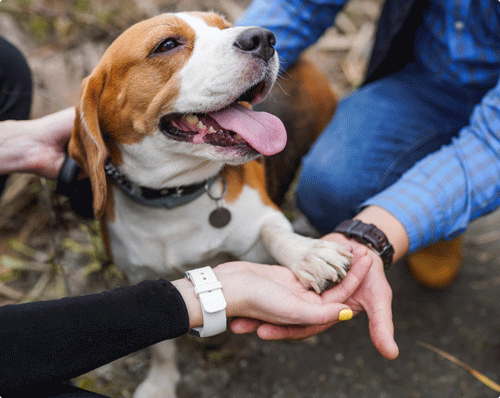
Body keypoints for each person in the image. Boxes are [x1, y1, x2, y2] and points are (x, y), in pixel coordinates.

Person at [0, 38, 378, 397]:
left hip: (292, 119)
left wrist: (290, 245)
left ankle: (308, 225)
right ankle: (165, 368)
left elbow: (265, 224)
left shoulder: (292, 98)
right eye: (168, 46)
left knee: (295, 213)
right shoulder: (106, 162)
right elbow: (147, 292)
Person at [234, 0, 500, 359]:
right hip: (424, 84)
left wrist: (373, 234)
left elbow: (491, 147)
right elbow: (302, 5)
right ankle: (434, 211)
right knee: (329, 187)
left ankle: (439, 221)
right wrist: (225, 65)